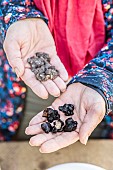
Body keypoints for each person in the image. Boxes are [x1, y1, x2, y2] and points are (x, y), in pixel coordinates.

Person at [0, 0, 113, 150]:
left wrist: (103, 77)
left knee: (91, 150)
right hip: (22, 86)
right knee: (17, 150)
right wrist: (19, 13)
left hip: (96, 94)